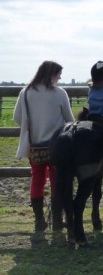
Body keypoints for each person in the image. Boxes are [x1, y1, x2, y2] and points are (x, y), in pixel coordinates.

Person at [13, 61, 74, 234]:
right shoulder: (60, 93)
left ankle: (39, 220)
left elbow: (18, 118)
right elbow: (69, 119)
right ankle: (57, 219)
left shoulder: (25, 92)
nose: (60, 78)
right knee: (57, 182)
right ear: (51, 74)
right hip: (57, 146)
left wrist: (33, 127)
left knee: (37, 180)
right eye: (58, 74)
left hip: (34, 146)